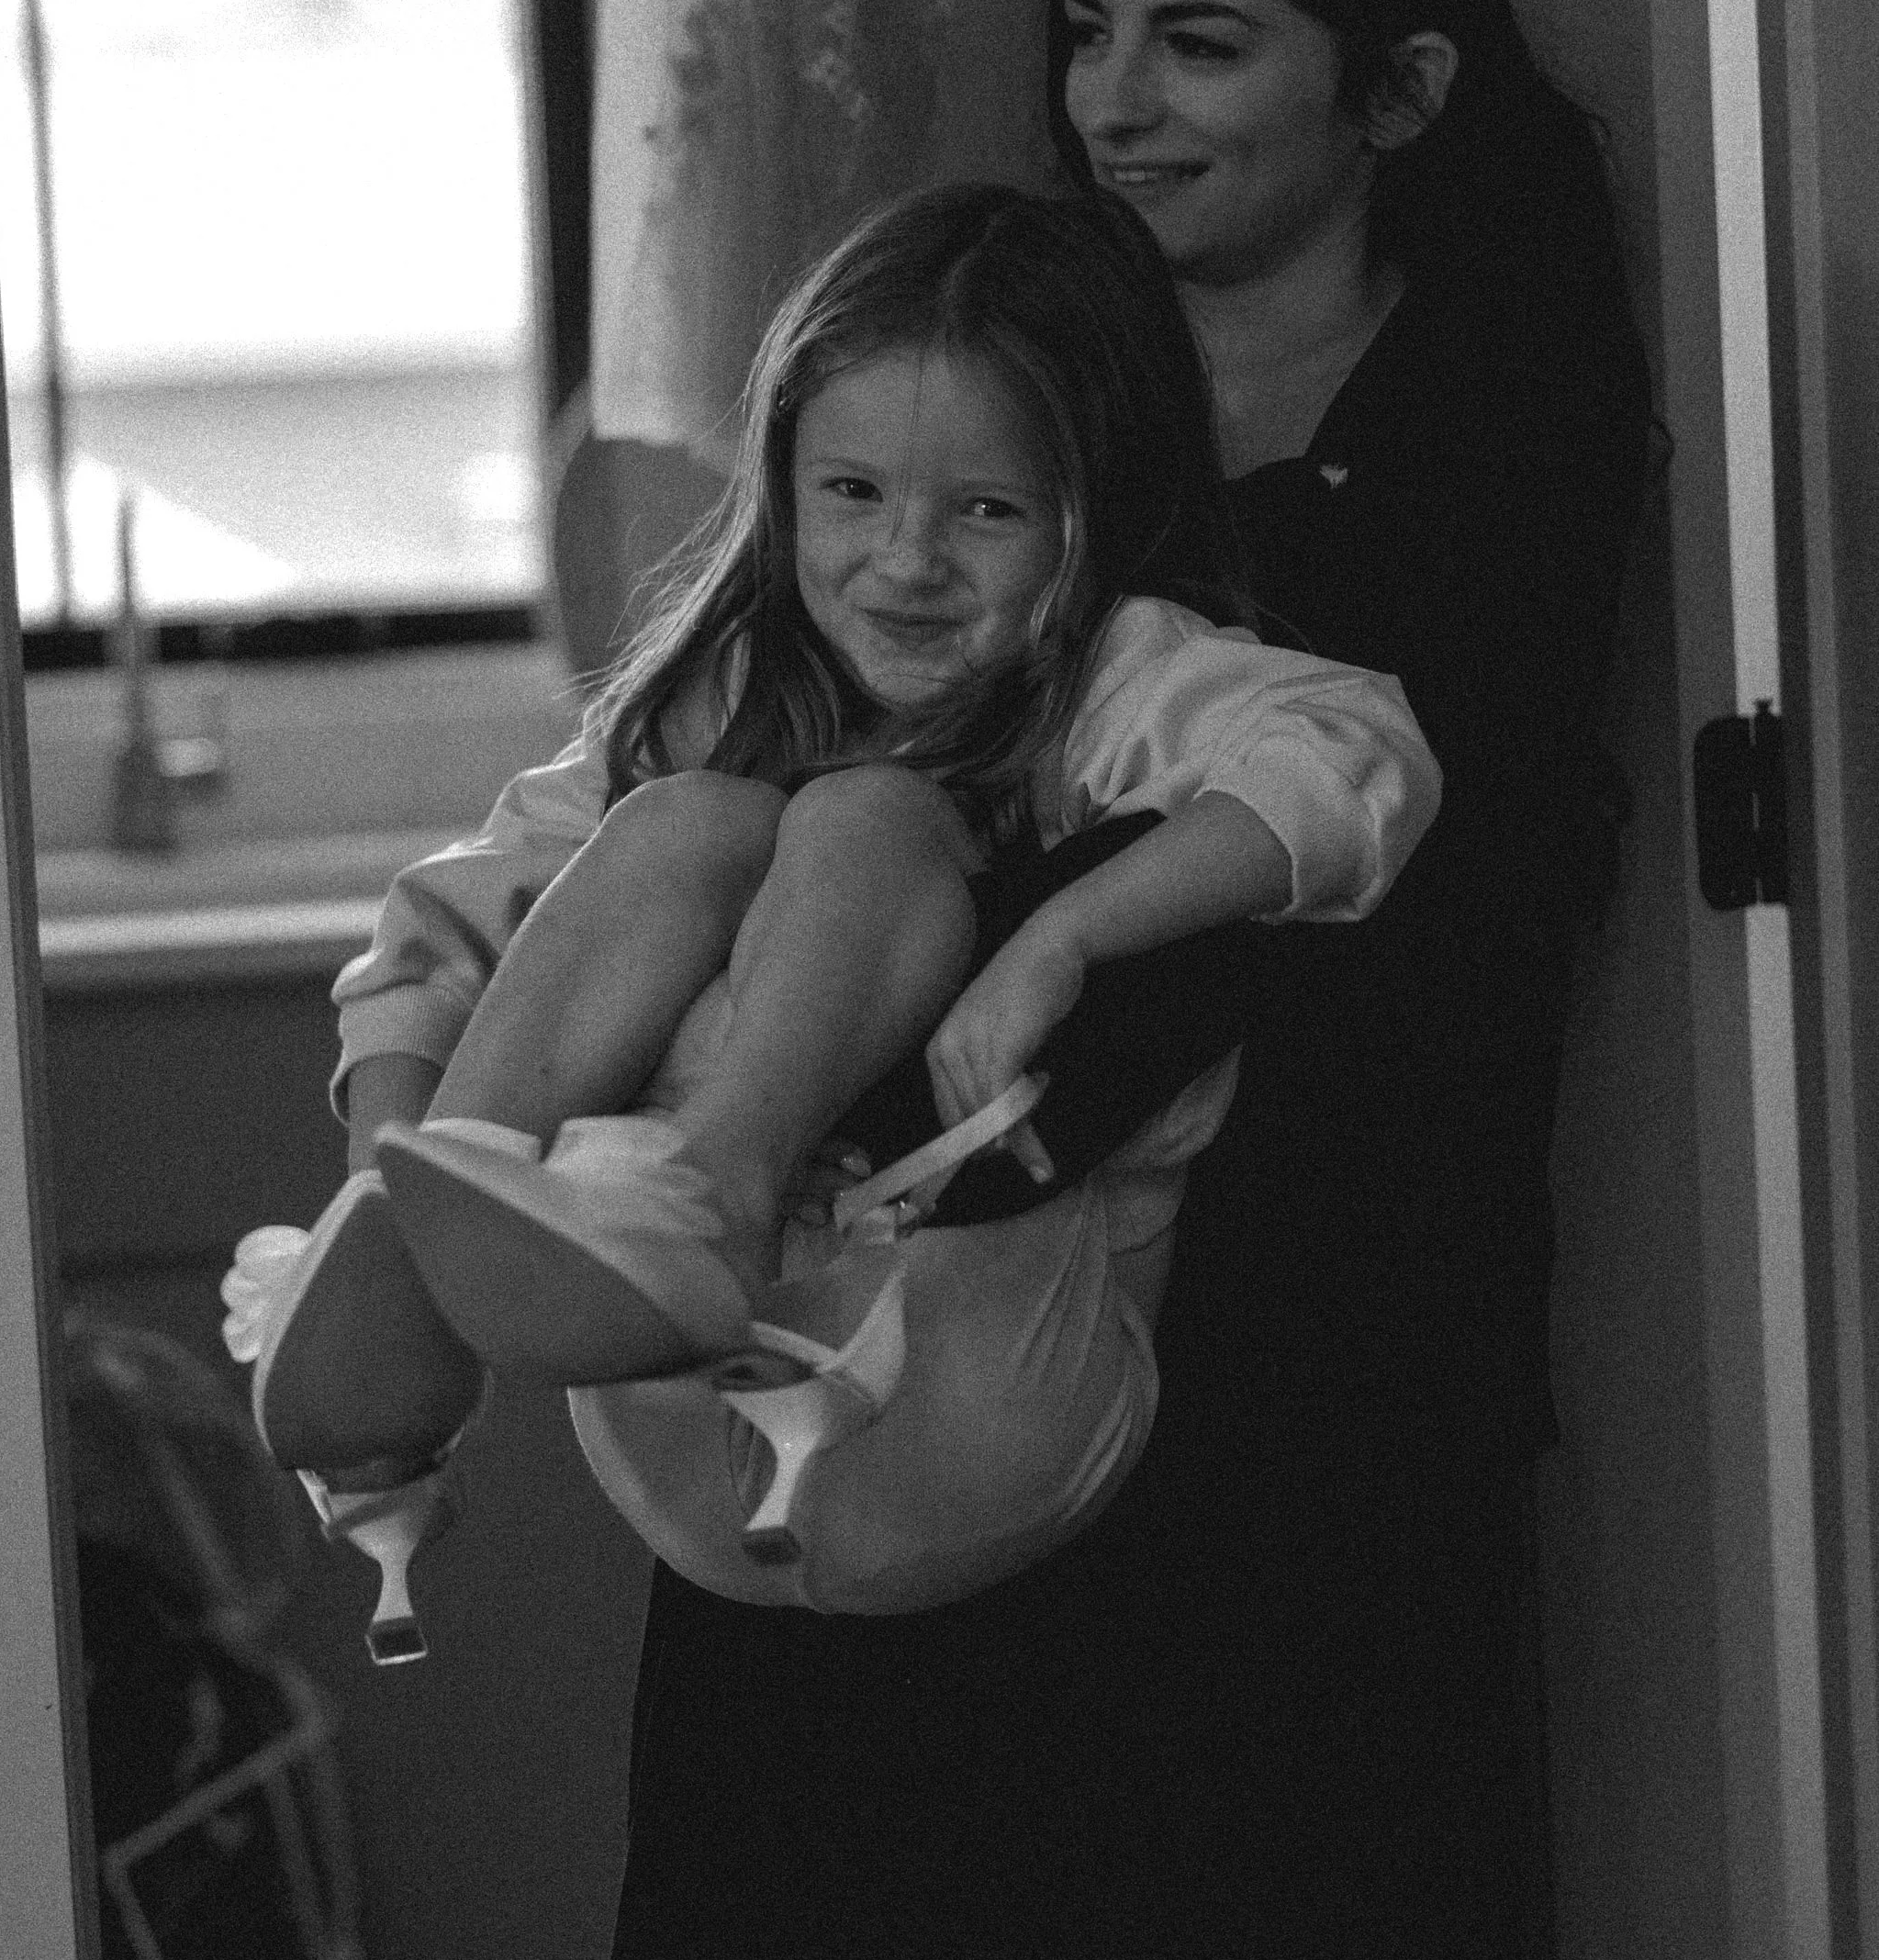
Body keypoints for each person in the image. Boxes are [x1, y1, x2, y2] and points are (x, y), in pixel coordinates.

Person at [531, 0, 1654, 1960]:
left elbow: (1390, 877)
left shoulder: (1488, 437)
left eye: (1203, 46)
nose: (1113, 97)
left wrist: (1018, 978)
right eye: (1090, 27)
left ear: (1395, 90)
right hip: (858, 1335)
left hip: (1277, 1424)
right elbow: (754, 724)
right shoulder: (1016, 364)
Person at [237, 181, 1440, 1621]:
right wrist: (389, 1150)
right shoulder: (723, 699)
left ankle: (713, 1189)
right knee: (677, 826)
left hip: (964, 1397)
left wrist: (1064, 934)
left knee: (864, 816)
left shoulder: (1116, 680)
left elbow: (1355, 759)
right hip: (684, 1421)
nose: (906, 561)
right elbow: (448, 919)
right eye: (852, 494)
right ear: (784, 483)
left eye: (986, 512)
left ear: (1093, 511)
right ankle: (420, 1245)